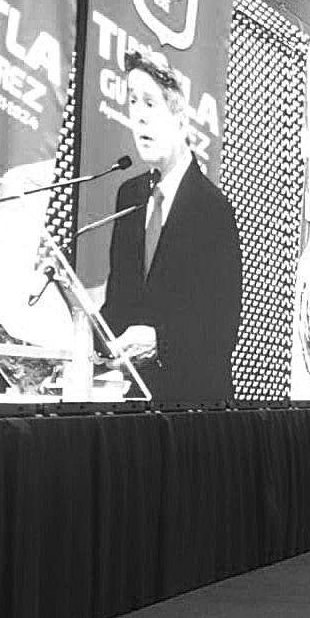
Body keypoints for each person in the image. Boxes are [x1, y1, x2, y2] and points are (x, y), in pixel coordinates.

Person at [101, 53, 242, 404]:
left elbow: (222, 330)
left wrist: (160, 342)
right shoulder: (129, 196)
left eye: (150, 103)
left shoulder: (214, 210)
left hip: (193, 407)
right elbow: (118, 304)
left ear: (180, 119)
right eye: (133, 101)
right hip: (133, 405)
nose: (138, 115)